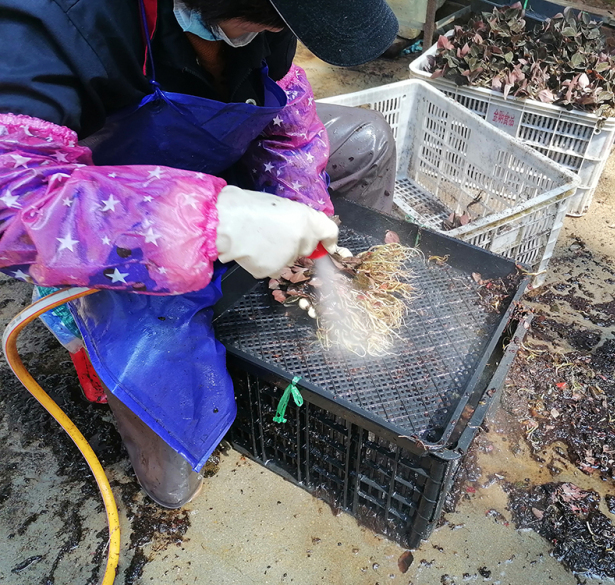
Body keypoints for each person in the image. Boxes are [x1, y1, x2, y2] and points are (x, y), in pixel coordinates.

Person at [0, 0, 399, 507]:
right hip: (106, 230)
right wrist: (208, 220)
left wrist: (299, 201)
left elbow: (286, 119)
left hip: (212, 172)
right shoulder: (54, 20)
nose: (269, 34)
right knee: (172, 470)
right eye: (257, 20)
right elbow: (14, 202)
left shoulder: (267, 26)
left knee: (365, 141)